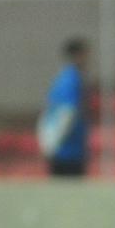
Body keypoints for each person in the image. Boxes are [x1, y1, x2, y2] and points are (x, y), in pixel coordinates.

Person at [38, 38, 90, 177]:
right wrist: (53, 143)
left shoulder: (61, 79)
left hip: (63, 148)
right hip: (68, 151)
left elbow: (48, 111)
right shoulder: (72, 80)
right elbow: (68, 113)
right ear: (78, 55)